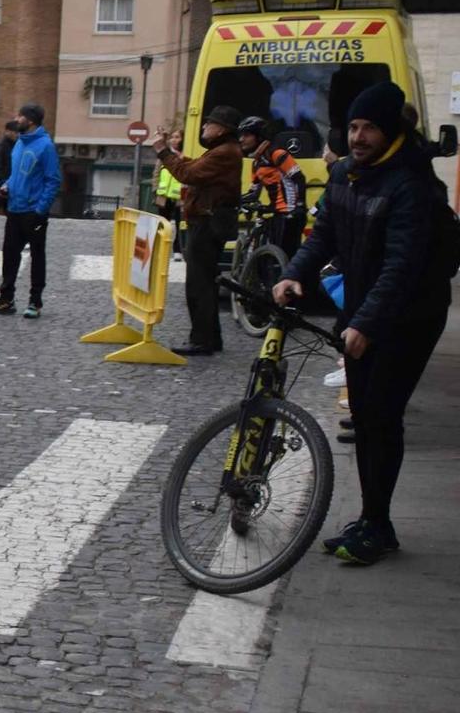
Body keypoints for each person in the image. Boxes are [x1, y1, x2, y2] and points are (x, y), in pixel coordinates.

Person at [276, 81, 454, 564]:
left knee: (380, 414)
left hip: (410, 313)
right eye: (353, 127)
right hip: (365, 306)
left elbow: (403, 267)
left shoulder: (411, 186)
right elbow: (324, 235)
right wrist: (295, 274)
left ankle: (376, 523)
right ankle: (374, 519)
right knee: (365, 416)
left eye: (369, 127)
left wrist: (367, 322)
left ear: (391, 129)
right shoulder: (346, 176)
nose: (358, 137)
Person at [152, 104, 245, 355]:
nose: (204, 126)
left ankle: (202, 340)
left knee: (199, 283)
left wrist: (162, 153)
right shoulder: (222, 150)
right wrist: (172, 151)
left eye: (209, 123)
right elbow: (193, 166)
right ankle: (210, 337)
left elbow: (187, 173)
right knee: (204, 282)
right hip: (207, 219)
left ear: (222, 129)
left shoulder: (224, 152)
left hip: (208, 222)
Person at [0, 102, 61, 319]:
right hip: (14, 209)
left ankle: (35, 302)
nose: (16, 118)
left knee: (37, 257)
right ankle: (6, 300)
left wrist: (41, 209)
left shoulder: (46, 146)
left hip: (33, 212)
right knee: (9, 256)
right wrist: (7, 186)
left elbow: (53, 180)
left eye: (20, 116)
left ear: (31, 120)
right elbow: (16, 175)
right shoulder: (19, 143)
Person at [237, 115, 308, 257]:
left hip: (290, 212)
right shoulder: (256, 163)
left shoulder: (277, 154)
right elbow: (254, 192)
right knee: (269, 254)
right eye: (241, 135)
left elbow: (299, 178)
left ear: (258, 136)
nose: (241, 139)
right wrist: (237, 201)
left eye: (246, 135)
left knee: (287, 254)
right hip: (276, 211)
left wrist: (300, 205)